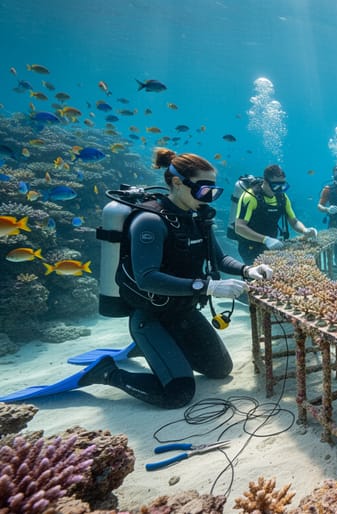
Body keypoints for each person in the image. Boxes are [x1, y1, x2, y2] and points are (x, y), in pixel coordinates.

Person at [84, 148, 274, 408]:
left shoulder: (197, 218)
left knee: (220, 370)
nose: (208, 198)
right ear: (176, 183)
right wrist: (209, 287)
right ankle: (107, 372)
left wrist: (247, 270)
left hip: (183, 312)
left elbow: (218, 259)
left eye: (212, 191)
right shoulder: (150, 221)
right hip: (151, 316)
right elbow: (147, 279)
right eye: (202, 190)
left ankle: (158, 351)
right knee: (178, 394)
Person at [234, 164, 317, 264]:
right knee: (258, 275)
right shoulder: (250, 196)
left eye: (283, 186)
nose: (279, 190)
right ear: (265, 181)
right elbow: (239, 227)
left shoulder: (282, 197)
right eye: (276, 186)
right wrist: (265, 240)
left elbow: (294, 222)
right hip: (250, 246)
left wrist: (305, 230)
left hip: (272, 243)